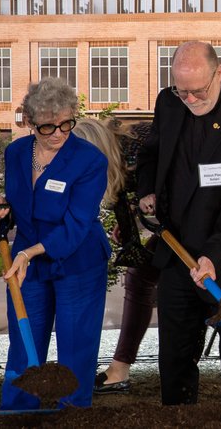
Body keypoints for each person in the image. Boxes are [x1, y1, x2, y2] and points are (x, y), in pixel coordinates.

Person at [136, 41, 221, 405]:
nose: (191, 99)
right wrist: (146, 189)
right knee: (176, 359)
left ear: (220, 75)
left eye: (199, 91)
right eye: (183, 91)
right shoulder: (169, 104)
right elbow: (150, 153)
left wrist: (212, 256)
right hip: (178, 255)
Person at [0, 77, 110, 410]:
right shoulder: (15, 152)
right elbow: (23, 205)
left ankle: (71, 414)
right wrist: (3, 210)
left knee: (75, 346)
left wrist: (28, 252)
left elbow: (77, 223)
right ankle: (18, 412)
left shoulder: (90, 160)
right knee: (24, 343)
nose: (58, 134)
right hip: (29, 263)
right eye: (47, 127)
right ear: (29, 122)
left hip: (78, 261)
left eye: (66, 125)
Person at [73, 118, 157, 395]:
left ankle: (121, 369)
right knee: (138, 278)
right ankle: (119, 369)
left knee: (161, 283)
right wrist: (129, 227)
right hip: (167, 221)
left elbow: (167, 179)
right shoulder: (109, 164)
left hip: (192, 217)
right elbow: (123, 199)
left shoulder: (142, 141)